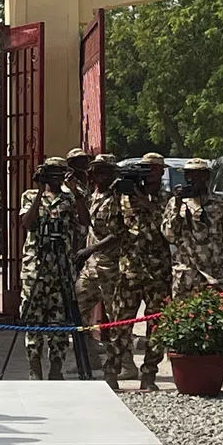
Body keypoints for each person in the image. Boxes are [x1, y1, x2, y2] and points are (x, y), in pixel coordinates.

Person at [111, 152, 173, 391]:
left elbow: (169, 229)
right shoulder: (125, 198)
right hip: (130, 269)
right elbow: (113, 228)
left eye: (152, 169)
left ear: (161, 171)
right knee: (121, 323)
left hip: (158, 271)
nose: (148, 174)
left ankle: (149, 374)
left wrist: (147, 203)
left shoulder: (169, 199)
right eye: (144, 169)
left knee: (156, 325)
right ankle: (112, 370)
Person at [74, 154, 133, 392]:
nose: (102, 176)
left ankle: (120, 366)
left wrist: (91, 248)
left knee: (118, 320)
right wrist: (78, 197)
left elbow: (120, 232)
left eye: (106, 172)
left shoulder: (119, 197)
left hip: (112, 266)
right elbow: (86, 222)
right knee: (77, 311)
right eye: (98, 172)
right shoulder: (93, 194)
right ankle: (90, 359)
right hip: (91, 267)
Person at [18, 157, 77, 380]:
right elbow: (27, 223)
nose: (54, 177)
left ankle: (56, 367)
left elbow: (83, 222)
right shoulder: (30, 196)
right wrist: (40, 191)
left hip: (60, 266)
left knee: (59, 320)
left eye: (57, 173)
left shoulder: (69, 197)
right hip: (35, 266)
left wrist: (76, 193)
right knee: (32, 318)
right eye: (50, 172)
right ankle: (34, 367)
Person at [162, 158, 223, 299]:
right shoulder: (175, 203)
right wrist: (178, 206)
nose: (193, 179)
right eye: (189, 175)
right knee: (183, 319)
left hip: (215, 276)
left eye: (198, 175)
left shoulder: (222, 202)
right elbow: (170, 236)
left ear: (207, 177)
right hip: (186, 277)